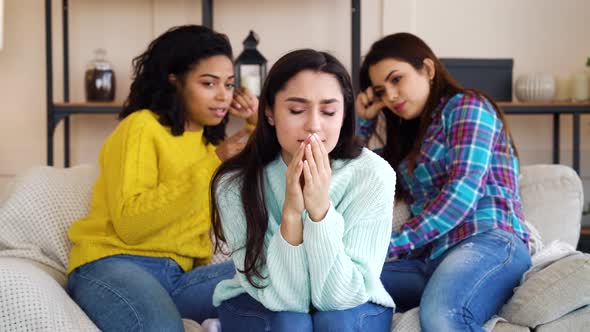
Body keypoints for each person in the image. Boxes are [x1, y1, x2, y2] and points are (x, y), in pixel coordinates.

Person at [66, 25, 257, 331]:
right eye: (209, 83)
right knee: (161, 326)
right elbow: (131, 225)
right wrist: (214, 162)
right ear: (175, 82)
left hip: (179, 279)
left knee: (275, 281)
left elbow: (266, 170)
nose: (223, 95)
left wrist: (255, 120)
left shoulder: (209, 146)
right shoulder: (141, 127)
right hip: (116, 264)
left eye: (229, 85)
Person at [355, 32, 532, 331]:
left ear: (428, 69)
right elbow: (353, 172)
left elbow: (461, 193)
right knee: (341, 286)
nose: (391, 96)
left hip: (487, 242)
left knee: (442, 315)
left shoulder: (468, 107)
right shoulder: (409, 140)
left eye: (396, 79)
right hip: (430, 258)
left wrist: (391, 244)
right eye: (381, 91)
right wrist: (363, 120)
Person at [210, 49, 396, 331]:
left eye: (329, 111)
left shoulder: (373, 175)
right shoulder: (234, 182)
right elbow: (287, 300)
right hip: (260, 300)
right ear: (270, 112)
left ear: (344, 114)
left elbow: (340, 297)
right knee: (290, 323)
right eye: (297, 110)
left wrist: (320, 211)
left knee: (337, 322)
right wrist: (291, 215)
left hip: (353, 301)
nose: (314, 125)